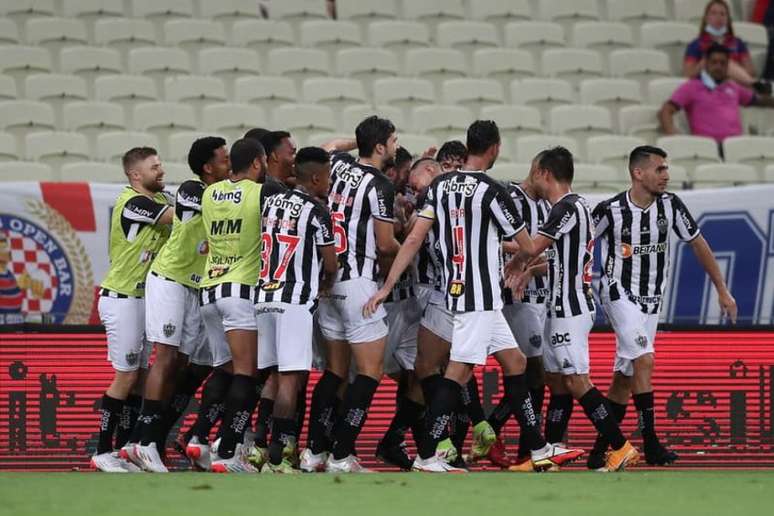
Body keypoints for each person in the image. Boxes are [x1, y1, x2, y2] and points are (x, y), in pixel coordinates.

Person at [364, 121, 584, 473]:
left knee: (516, 364)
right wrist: (519, 259)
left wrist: (388, 285)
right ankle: (426, 454)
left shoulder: (440, 186)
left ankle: (539, 447)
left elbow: (413, 239)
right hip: (478, 296)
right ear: (494, 149)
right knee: (456, 373)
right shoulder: (493, 191)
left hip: (454, 290)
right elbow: (529, 245)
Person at [587, 145, 738, 469]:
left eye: (666, 169)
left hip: (652, 302)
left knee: (625, 376)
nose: (666, 175)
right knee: (644, 359)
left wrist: (722, 290)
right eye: (660, 169)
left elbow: (698, 243)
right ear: (638, 173)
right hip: (618, 293)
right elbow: (580, 244)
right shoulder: (610, 210)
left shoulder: (670, 206)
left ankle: (600, 450)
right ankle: (651, 444)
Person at [505, 146, 639, 472]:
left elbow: (533, 247)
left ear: (545, 173)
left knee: (578, 381)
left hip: (571, 307)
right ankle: (548, 454)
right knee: (556, 380)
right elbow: (556, 258)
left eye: (535, 171)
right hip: (559, 305)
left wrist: (492, 245)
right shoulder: (575, 208)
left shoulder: (566, 208)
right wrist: (528, 269)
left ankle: (621, 447)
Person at [302, 116, 401, 473]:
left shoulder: (338, 166)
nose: (396, 146)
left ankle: (314, 451)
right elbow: (387, 244)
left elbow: (328, 144)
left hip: (328, 282)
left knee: (335, 372)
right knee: (370, 372)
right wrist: (413, 246)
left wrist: (355, 142)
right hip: (359, 283)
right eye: (392, 140)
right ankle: (342, 454)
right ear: (379, 147)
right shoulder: (381, 186)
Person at [126, 137, 231, 472]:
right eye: (224, 160)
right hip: (169, 280)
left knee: (180, 364)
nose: (229, 165)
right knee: (166, 357)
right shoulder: (191, 189)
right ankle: (143, 442)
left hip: (194, 287)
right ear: (207, 168)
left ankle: (149, 440)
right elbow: (200, 210)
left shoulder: (225, 193)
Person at [198, 138, 283, 473]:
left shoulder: (210, 192)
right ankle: (229, 451)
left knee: (225, 370)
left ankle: (200, 437)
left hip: (208, 290)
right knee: (248, 373)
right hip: (239, 288)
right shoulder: (261, 192)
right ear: (259, 163)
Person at [255, 147, 338, 473]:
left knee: (274, 375)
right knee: (291, 379)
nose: (329, 183)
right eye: (328, 177)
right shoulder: (316, 211)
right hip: (293, 301)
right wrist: (326, 282)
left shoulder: (271, 201)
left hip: (264, 296)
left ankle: (259, 447)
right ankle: (277, 458)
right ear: (316, 178)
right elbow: (330, 263)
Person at [91, 147, 173, 473]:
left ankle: (126, 448)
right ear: (135, 175)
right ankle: (101, 451)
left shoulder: (159, 199)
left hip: (142, 299)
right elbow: (176, 217)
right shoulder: (133, 203)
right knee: (125, 375)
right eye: (154, 167)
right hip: (121, 298)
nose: (161, 170)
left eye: (160, 164)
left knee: (138, 377)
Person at [471, 153, 552, 470]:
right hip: (512, 299)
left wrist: (535, 267)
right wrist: (523, 256)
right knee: (532, 374)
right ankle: (529, 450)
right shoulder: (509, 197)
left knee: (531, 377)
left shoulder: (546, 207)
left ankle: (496, 435)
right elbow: (493, 241)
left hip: (539, 298)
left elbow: (549, 253)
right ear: (538, 171)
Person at [660, 43, 774, 144]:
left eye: (722, 63)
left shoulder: (733, 87)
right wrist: (674, 135)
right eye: (714, 62)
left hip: (734, 145)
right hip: (707, 147)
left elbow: (760, 100)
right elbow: (666, 110)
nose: (718, 67)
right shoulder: (691, 86)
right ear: (705, 63)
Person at [683, 0, 757, 86]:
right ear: (706, 18)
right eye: (714, 13)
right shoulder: (696, 44)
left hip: (735, 84)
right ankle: (756, 85)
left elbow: (750, 71)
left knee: (725, 62)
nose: (718, 17)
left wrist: (733, 68)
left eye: (722, 14)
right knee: (721, 62)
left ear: (728, 19)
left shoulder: (737, 43)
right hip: (707, 85)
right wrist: (706, 62)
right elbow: (688, 74)